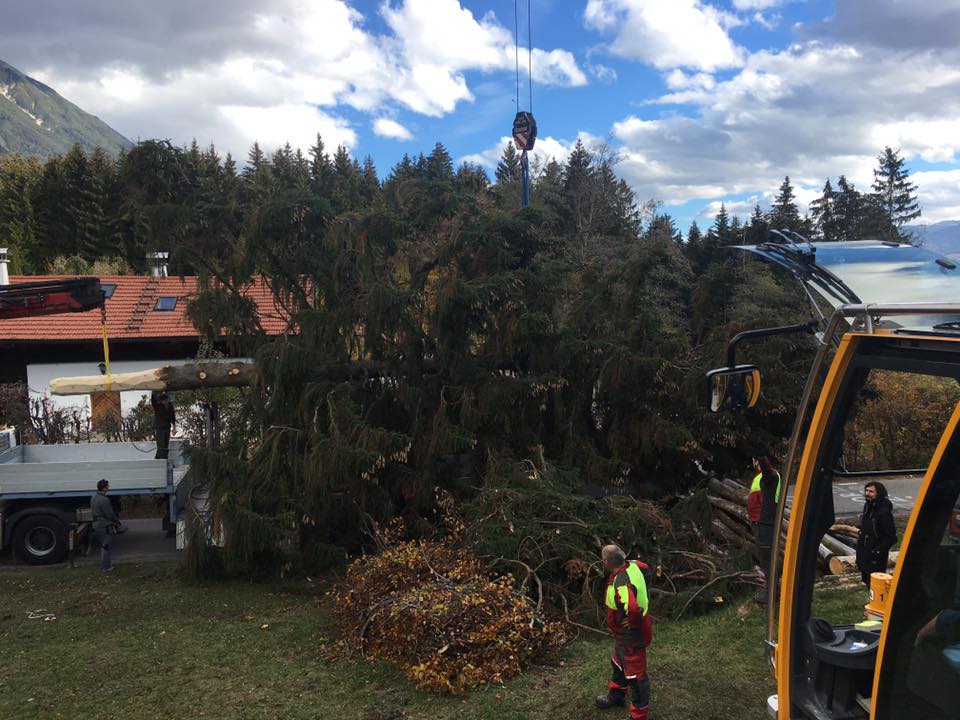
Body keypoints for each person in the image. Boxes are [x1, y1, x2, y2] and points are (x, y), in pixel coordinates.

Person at [595, 544, 652, 720]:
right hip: (621, 634)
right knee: (618, 663)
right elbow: (647, 569)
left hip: (631, 635)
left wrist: (633, 621)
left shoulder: (622, 583)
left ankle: (638, 715)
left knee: (636, 676)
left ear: (606, 562)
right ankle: (617, 695)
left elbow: (632, 608)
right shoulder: (634, 565)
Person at [748, 450, 781, 604]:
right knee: (766, 558)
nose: (753, 463)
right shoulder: (762, 477)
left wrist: (761, 455)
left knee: (768, 560)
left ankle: (770, 594)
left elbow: (767, 470)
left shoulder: (770, 476)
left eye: (754, 460)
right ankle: (774, 591)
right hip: (762, 523)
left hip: (765, 524)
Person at [855, 481, 897, 589]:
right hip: (864, 551)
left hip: (875, 557)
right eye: (866, 490)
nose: (867, 493)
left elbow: (891, 537)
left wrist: (877, 552)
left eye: (871, 492)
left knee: (876, 584)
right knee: (866, 580)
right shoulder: (868, 506)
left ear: (879, 493)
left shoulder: (884, 512)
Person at [90, 478, 118, 572]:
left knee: (103, 545)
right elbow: (109, 514)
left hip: (96, 525)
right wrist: (117, 521)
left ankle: (105, 565)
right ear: (104, 488)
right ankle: (106, 567)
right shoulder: (104, 500)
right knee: (106, 546)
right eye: (107, 486)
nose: (109, 487)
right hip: (104, 525)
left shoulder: (93, 497)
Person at [150, 391, 176, 460]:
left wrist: (174, 427)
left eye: (165, 400)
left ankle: (165, 460)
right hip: (160, 429)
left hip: (167, 428)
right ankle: (158, 460)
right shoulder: (157, 406)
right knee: (160, 445)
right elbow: (153, 400)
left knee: (165, 446)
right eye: (163, 400)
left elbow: (173, 416)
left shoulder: (170, 406)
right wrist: (153, 391)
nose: (164, 401)